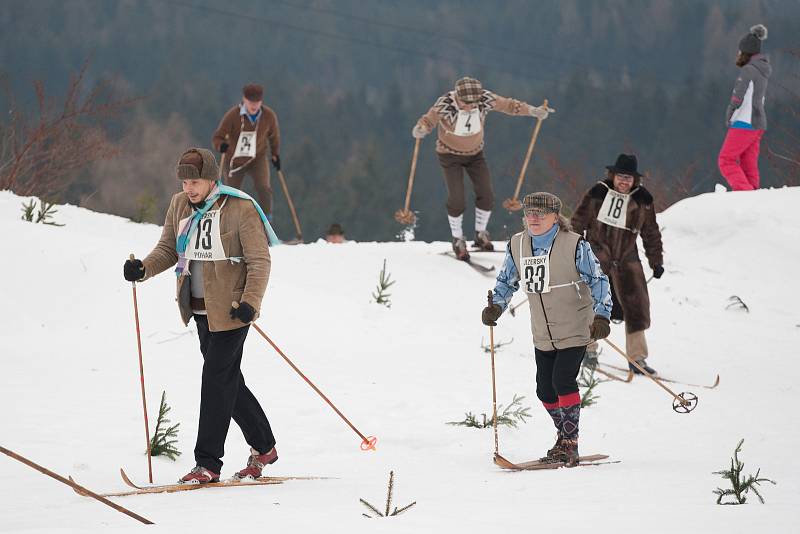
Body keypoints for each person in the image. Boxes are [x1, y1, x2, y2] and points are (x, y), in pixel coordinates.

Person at [123, 148, 281, 484]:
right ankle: (264, 447)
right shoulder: (180, 205)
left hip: (232, 312)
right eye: (184, 181)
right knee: (227, 382)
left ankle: (207, 463)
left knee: (214, 381)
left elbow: (259, 261)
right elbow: (168, 249)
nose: (188, 187)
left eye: (194, 181)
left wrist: (250, 302)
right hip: (198, 310)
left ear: (211, 179)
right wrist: (143, 269)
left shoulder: (239, 208)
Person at [482, 192, 612, 467]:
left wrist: (602, 316)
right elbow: (507, 281)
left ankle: (571, 444)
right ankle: (563, 439)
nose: (534, 218)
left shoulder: (575, 244)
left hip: (575, 325)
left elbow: (598, 280)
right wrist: (497, 307)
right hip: (542, 331)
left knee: (563, 380)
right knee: (545, 389)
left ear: (556, 217)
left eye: (541, 213)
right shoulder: (517, 244)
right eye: (529, 213)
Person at [413, 77, 552, 260]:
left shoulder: (485, 99)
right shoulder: (446, 103)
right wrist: (421, 128)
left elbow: (509, 105)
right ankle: (457, 239)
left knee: (486, 194)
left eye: (473, 103)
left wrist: (533, 111)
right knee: (457, 198)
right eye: (465, 103)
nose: (470, 107)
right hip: (449, 156)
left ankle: (480, 234)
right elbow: (429, 119)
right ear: (457, 97)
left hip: (475, 155)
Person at [570, 154, 663, 375]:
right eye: (621, 176)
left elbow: (651, 233)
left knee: (636, 308)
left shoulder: (643, 200)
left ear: (635, 180)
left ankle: (637, 358)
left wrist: (656, 261)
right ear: (613, 176)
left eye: (628, 178)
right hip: (596, 256)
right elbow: (577, 222)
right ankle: (588, 351)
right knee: (590, 303)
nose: (624, 181)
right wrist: (572, 249)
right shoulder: (597, 193)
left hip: (627, 261)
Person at [213, 83, 281, 217]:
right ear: (244, 100)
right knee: (232, 192)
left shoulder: (268, 116)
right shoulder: (233, 115)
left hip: (258, 158)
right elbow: (218, 137)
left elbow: (274, 136)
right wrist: (221, 145)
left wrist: (275, 154)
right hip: (235, 160)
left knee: (264, 188)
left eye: (257, 102)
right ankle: (230, 221)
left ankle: (266, 219)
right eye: (251, 102)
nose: (254, 106)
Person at [718, 24, 771, 191]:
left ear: (746, 52)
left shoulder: (748, 70)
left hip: (744, 121)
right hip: (758, 123)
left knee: (726, 160)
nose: (738, 54)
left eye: (740, 51)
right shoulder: (762, 71)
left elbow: (737, 97)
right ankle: (752, 194)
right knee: (748, 162)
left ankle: (745, 193)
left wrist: (729, 114)